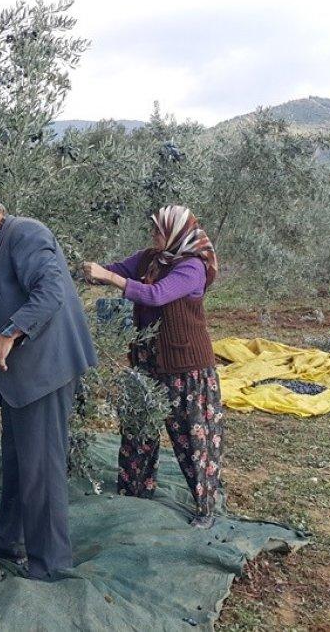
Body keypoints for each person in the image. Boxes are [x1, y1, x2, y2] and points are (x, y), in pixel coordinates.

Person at [0, 192, 97, 581]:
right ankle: (8, 539)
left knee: (42, 470)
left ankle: (50, 564)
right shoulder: (7, 241)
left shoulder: (27, 234)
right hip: (23, 377)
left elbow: (50, 294)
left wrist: (8, 335)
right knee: (18, 461)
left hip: (44, 374)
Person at [82, 205, 223, 528]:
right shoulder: (150, 259)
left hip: (184, 366)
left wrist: (111, 278)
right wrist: (86, 271)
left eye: (158, 231)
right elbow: (113, 269)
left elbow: (156, 295)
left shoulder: (192, 267)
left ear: (176, 233)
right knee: (138, 430)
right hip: (146, 361)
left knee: (191, 438)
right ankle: (133, 495)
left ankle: (205, 508)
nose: (153, 236)